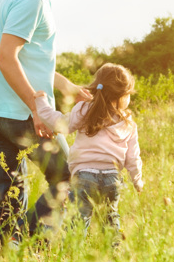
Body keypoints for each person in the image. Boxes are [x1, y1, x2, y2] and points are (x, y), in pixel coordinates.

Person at [0, 0, 92, 246]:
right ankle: (30, 241)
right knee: (73, 177)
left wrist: (65, 85)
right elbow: (5, 58)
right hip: (22, 115)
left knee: (10, 198)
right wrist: (36, 107)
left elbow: (26, 58)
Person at [60, 63, 143, 244]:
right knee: (110, 220)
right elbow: (132, 157)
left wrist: (41, 105)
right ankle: (115, 255)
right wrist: (137, 179)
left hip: (83, 177)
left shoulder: (84, 110)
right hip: (111, 179)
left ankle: (72, 257)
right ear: (122, 96)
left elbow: (61, 124)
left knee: (78, 221)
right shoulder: (128, 122)